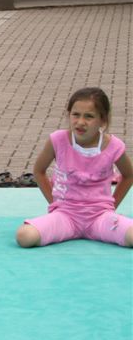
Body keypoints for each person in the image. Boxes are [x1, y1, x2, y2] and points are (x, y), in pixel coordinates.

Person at [16, 87, 133, 249]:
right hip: (65, 216)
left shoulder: (114, 146)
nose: (80, 122)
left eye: (89, 116)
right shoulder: (57, 140)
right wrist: (54, 202)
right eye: (75, 114)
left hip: (100, 216)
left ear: (103, 120)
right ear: (69, 114)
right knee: (25, 236)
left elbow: (129, 175)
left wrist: (113, 205)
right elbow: (39, 170)